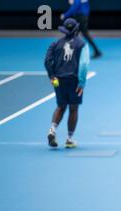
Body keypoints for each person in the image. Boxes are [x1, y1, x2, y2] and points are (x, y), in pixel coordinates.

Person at [44, 18, 90, 149]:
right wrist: (81, 82)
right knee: (73, 108)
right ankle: (69, 139)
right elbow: (84, 64)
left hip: (58, 81)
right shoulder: (82, 44)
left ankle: (52, 130)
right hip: (74, 80)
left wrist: (52, 77)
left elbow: (47, 62)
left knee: (61, 106)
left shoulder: (55, 44)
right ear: (76, 30)